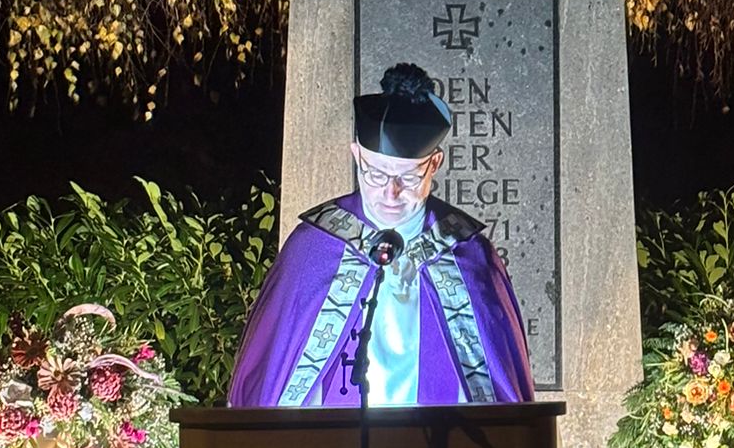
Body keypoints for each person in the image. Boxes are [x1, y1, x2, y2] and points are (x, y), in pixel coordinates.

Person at [227, 61, 535, 407]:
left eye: (409, 177)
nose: (391, 192)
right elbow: (271, 380)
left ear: (434, 163)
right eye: (375, 174)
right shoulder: (313, 248)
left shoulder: (467, 252)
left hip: (441, 437)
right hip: (334, 437)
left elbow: (499, 392)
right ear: (357, 155)